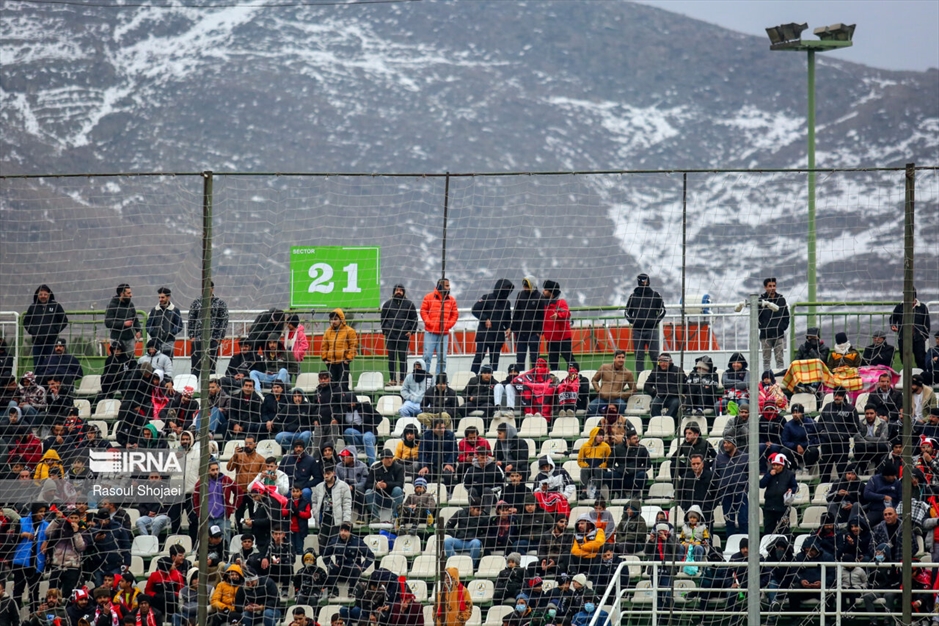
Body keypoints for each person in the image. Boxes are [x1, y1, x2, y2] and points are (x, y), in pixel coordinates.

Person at [470, 279, 514, 374]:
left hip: (497, 336)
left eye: (508, 288)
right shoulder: (487, 298)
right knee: (479, 357)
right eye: (505, 288)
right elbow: (475, 309)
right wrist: (485, 318)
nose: (506, 290)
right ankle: (472, 376)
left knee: (494, 360)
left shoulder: (507, 303)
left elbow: (507, 319)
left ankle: (492, 379)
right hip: (484, 334)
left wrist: (508, 328)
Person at [624, 273, 665, 373]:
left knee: (655, 356)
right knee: (639, 357)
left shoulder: (655, 295)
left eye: (646, 280)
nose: (644, 283)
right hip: (637, 331)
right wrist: (634, 321)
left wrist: (654, 321)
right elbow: (627, 312)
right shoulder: (633, 296)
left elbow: (662, 310)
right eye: (643, 281)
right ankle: (640, 381)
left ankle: (658, 378)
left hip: (651, 330)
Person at [188, 281, 229, 376]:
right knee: (195, 367)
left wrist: (219, 338)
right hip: (198, 339)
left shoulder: (220, 303)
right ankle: (193, 389)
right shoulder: (196, 302)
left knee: (211, 367)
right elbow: (191, 319)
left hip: (213, 339)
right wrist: (192, 336)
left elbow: (224, 320)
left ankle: (211, 388)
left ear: (212, 289)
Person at [380, 284, 418, 386]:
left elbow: (414, 318)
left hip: (403, 335)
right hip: (391, 335)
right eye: (397, 290)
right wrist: (385, 330)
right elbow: (383, 318)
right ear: (393, 292)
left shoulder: (409, 304)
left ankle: (403, 380)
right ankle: (392, 379)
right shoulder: (387, 304)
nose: (399, 292)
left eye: (401, 290)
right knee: (391, 358)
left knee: (403, 358)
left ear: (404, 292)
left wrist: (412, 331)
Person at [818, 388, 858, 480]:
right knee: (825, 470)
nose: (837, 397)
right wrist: (823, 433)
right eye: (835, 395)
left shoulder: (851, 409)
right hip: (827, 444)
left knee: (841, 470)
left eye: (839, 395)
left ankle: (842, 490)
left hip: (841, 445)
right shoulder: (827, 407)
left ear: (844, 396)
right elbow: (820, 423)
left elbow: (854, 427)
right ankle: (824, 490)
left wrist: (843, 436)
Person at [421, 279, 459, 376]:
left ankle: (439, 380)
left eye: (448, 285)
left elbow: (455, 315)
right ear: (440, 286)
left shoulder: (452, 300)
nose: (449, 287)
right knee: (427, 357)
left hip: (444, 334)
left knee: (442, 358)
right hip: (430, 332)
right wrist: (430, 323)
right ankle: (424, 378)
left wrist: (447, 325)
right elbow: (423, 311)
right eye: (446, 285)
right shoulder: (428, 297)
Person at [714, 439, 749, 536]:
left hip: (741, 493)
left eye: (728, 443)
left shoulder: (745, 457)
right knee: (729, 521)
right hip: (726, 494)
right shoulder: (719, 458)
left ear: (734, 443)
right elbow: (715, 475)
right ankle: (730, 543)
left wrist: (746, 489)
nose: (725, 445)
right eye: (724, 443)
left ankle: (746, 544)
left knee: (743, 520)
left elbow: (750, 475)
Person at [311, 464, 352, 546]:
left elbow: (347, 504)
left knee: (336, 546)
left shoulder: (343, 486)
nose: (326, 476)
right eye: (324, 474)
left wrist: (346, 520)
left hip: (336, 522)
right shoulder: (319, 487)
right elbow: (314, 501)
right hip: (323, 521)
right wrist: (315, 513)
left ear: (333, 473)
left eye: (328, 473)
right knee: (322, 545)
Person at [890, 289, 931, 370]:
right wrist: (893, 325)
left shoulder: (922, 307)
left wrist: (924, 336)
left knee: (920, 358)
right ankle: (907, 376)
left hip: (918, 338)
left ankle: (922, 375)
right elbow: (893, 318)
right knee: (904, 358)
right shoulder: (900, 306)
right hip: (903, 338)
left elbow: (927, 323)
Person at [541, 280, 577, 371]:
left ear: (551, 292)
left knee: (569, 360)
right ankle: (556, 381)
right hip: (551, 339)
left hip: (563, 338)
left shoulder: (561, 302)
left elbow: (567, 313)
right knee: (553, 362)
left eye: (545, 290)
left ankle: (575, 376)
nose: (543, 291)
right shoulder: (544, 304)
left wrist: (558, 315)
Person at [755, 277, 790, 371]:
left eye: (774, 285)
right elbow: (756, 316)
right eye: (770, 286)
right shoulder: (761, 300)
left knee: (780, 359)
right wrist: (763, 327)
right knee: (766, 360)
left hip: (779, 334)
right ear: (765, 287)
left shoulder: (781, 299)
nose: (772, 288)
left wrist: (782, 327)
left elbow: (786, 315)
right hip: (765, 335)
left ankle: (779, 377)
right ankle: (766, 379)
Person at [587, 350, 635, 416]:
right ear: (614, 358)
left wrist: (621, 395)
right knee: (591, 407)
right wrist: (598, 390)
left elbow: (633, 389)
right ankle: (602, 422)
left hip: (617, 400)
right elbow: (594, 380)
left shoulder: (628, 373)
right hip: (602, 398)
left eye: (623, 357)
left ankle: (616, 424)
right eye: (619, 357)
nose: (621, 359)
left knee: (622, 406)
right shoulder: (604, 367)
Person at [760, 452, 797, 533]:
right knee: (768, 529)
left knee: (784, 529)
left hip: (783, 507)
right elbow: (761, 485)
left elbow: (795, 487)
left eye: (777, 465)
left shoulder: (789, 474)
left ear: (782, 465)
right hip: (769, 506)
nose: (775, 467)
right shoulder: (769, 473)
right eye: (774, 465)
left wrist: (791, 490)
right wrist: (769, 475)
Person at [364, 450, 405, 523]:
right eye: (387, 458)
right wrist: (376, 486)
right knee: (368, 492)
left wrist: (386, 485)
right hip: (379, 498)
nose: (390, 460)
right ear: (382, 459)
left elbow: (400, 483)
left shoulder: (399, 468)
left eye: (391, 458)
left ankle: (395, 517)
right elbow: (367, 484)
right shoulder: (375, 468)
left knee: (398, 489)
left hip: (394, 499)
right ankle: (375, 517)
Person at [512, 277, 544, 369]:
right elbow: (516, 312)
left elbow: (542, 315)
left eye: (527, 286)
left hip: (534, 333)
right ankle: (520, 378)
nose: (524, 288)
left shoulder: (539, 297)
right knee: (520, 358)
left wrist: (539, 332)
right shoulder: (520, 295)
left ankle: (535, 377)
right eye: (524, 286)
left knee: (535, 358)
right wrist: (514, 328)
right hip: (521, 333)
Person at [321, 309, 357, 391]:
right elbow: (324, 346)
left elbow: (353, 345)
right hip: (330, 363)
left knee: (343, 385)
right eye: (332, 319)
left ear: (341, 319)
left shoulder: (349, 331)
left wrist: (348, 358)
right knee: (332, 386)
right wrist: (325, 358)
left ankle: (343, 402)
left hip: (343, 363)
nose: (333, 321)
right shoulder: (328, 332)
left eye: (336, 319)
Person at [444, 500, 487, 568]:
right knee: (447, 542)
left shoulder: (484, 517)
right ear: (471, 508)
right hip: (460, 540)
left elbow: (485, 532)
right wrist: (456, 534)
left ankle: (470, 566)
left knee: (476, 543)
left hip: (472, 542)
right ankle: (454, 565)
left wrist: (478, 537)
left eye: (481, 510)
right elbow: (448, 526)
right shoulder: (460, 513)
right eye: (478, 510)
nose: (480, 512)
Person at [781, 403, 821, 470]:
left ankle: (807, 468)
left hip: (808, 449)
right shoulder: (788, 425)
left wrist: (804, 445)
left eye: (798, 412)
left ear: (802, 413)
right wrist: (796, 446)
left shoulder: (811, 423)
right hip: (794, 451)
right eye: (793, 412)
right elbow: (784, 441)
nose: (795, 415)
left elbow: (818, 438)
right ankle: (796, 468)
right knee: (783, 451)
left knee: (814, 451)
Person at [644, 353, 685, 418]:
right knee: (653, 404)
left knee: (676, 403)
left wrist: (677, 392)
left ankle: (667, 421)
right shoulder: (655, 371)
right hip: (660, 397)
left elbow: (685, 385)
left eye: (665, 362)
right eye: (660, 362)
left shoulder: (678, 370)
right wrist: (655, 392)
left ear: (670, 361)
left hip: (674, 397)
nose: (662, 364)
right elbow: (646, 386)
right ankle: (657, 422)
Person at [146, 287, 182, 360]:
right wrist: (152, 332)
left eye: (162, 297)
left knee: (167, 361)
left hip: (169, 341)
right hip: (156, 341)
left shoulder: (175, 310)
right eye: (159, 297)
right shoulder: (154, 310)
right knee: (155, 361)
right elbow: (148, 325)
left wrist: (171, 333)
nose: (160, 299)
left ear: (168, 297)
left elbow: (179, 325)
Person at [104, 284, 141, 355]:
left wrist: (138, 330)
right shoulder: (112, 306)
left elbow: (135, 320)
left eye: (131, 292)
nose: (131, 295)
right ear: (121, 293)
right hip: (116, 339)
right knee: (116, 361)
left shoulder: (130, 305)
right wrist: (123, 323)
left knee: (130, 360)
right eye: (128, 293)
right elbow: (108, 323)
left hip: (130, 339)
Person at [577, 426, 610, 500]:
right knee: (583, 470)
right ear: (593, 435)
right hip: (589, 468)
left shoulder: (606, 446)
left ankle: (598, 492)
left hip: (600, 469)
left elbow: (609, 460)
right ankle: (584, 492)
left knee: (598, 470)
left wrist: (602, 466)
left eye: (602, 435)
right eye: (599, 435)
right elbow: (579, 460)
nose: (601, 437)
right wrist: (585, 465)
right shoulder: (585, 446)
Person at [855, 404, 889, 470]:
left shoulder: (883, 423)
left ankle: (878, 470)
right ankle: (863, 469)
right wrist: (869, 442)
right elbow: (857, 437)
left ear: (876, 413)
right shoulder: (860, 423)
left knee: (882, 446)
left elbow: (883, 439)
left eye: (871, 413)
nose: (869, 416)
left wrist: (866, 438)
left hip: (877, 448)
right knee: (857, 447)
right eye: (867, 413)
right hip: (865, 447)